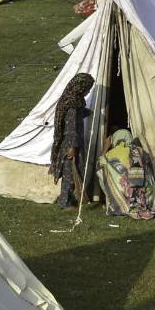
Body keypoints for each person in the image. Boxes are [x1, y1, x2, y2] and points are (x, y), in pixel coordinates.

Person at [49, 72, 94, 209]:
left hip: (70, 142)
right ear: (81, 87)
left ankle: (68, 199)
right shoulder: (72, 103)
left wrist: (88, 112)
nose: (87, 92)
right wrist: (72, 147)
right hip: (71, 143)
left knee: (72, 172)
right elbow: (71, 126)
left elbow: (77, 116)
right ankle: (66, 202)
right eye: (87, 89)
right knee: (70, 173)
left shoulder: (71, 99)